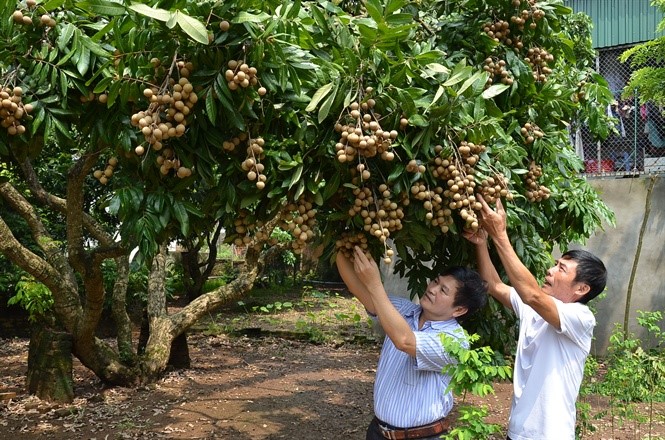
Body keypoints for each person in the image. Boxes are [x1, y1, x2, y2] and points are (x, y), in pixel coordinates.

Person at [463, 195, 607, 440]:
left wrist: (500, 235)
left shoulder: (580, 318)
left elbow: (531, 295)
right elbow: (494, 285)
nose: (550, 270)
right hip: (517, 432)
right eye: (555, 264)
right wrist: (482, 243)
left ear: (582, 289)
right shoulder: (535, 308)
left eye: (561, 269)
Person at [336, 245, 488, 440]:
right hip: (378, 432)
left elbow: (404, 341)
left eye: (443, 290)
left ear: (459, 310)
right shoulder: (403, 310)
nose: (432, 289)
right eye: (435, 281)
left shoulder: (455, 342)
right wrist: (342, 245)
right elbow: (358, 289)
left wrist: (375, 284)